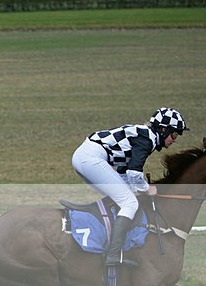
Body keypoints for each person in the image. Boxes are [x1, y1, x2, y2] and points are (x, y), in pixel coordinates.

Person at [72, 107, 189, 267]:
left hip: (85, 157)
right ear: (163, 129)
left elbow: (123, 173)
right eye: (174, 134)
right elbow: (134, 173)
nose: (174, 139)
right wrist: (147, 189)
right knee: (130, 203)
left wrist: (137, 189)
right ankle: (113, 254)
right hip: (90, 158)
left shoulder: (144, 135)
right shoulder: (147, 139)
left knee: (123, 198)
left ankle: (108, 237)